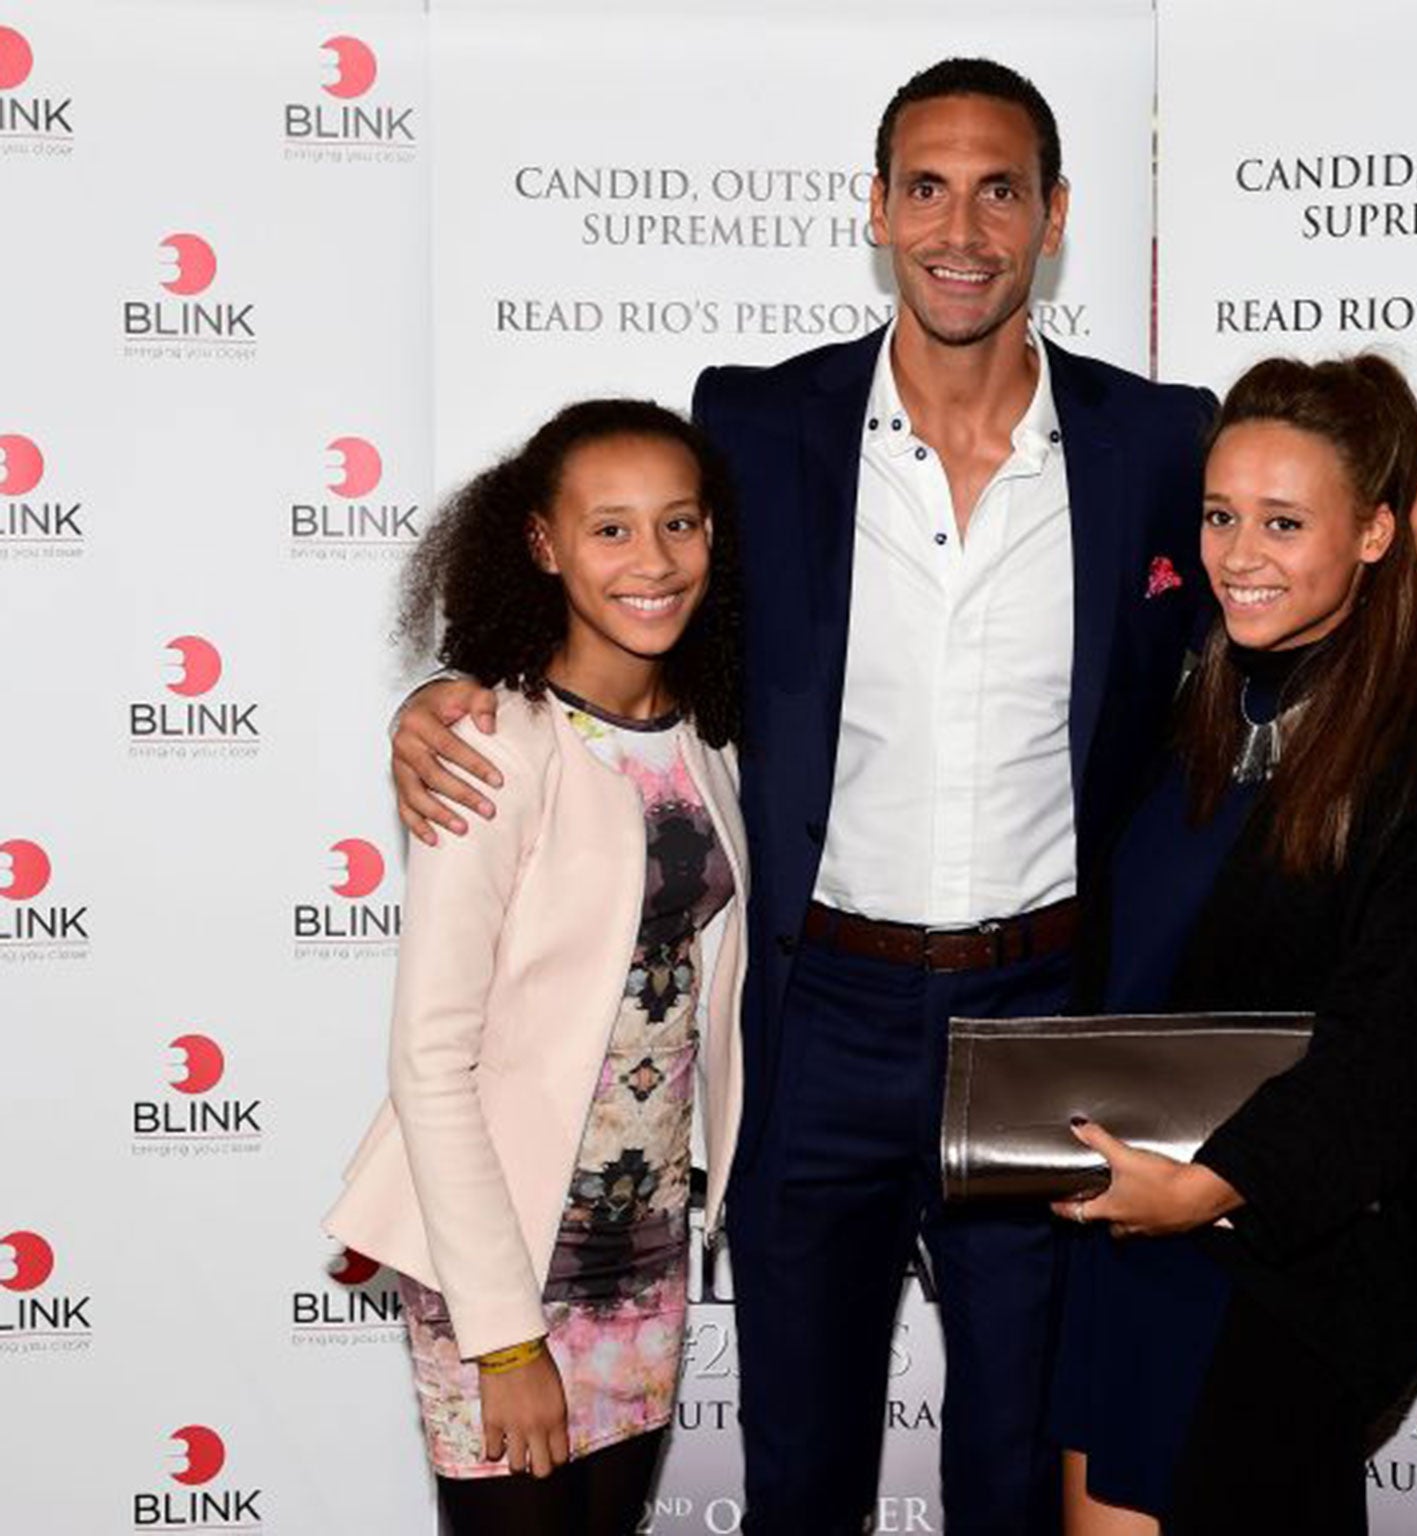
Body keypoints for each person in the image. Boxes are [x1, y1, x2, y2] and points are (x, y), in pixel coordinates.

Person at [385, 60, 1213, 1534]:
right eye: (929, 186)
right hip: (818, 1009)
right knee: (802, 1468)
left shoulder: (1156, 443)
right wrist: (447, 693)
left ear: (1056, 216)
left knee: (1018, 1472)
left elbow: (1258, 658)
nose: (963, 226)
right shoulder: (757, 429)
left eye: (1001, 188)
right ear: (879, 209)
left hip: (1039, 1019)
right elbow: (629, 611)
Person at [1045, 354, 1417, 1535]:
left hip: (1268, 1265)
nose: (1237, 554)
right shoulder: (1199, 704)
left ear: (1376, 534)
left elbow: (1393, 1050)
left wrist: (1209, 1190)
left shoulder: (1414, 757)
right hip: (1128, 1236)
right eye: (1221, 516)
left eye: (1283, 523)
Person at [327, 400, 747, 1536]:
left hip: (645, 1242)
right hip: (500, 1254)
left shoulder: (711, 735)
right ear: (542, 544)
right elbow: (430, 1059)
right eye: (608, 531)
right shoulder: (491, 746)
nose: (652, 562)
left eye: (679, 523)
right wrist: (502, 1334)